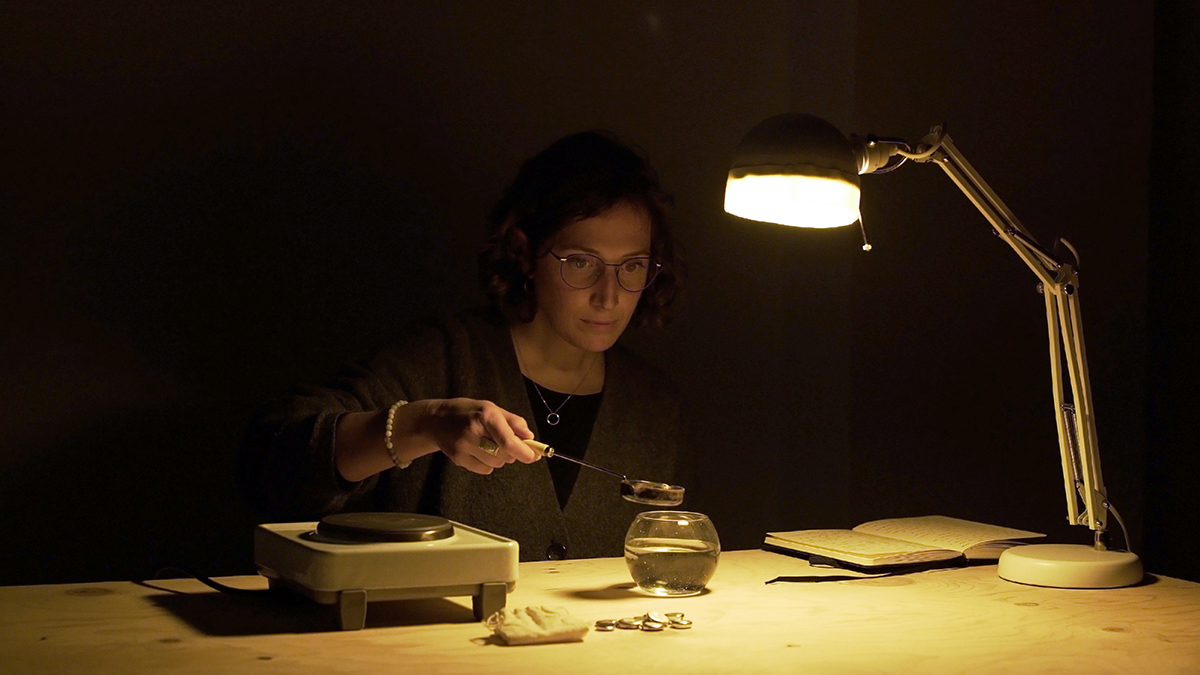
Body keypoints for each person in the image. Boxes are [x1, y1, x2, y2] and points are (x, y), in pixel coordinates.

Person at [238, 130, 686, 561]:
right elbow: (272, 467)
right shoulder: (442, 359)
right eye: (582, 262)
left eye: (632, 266)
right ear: (525, 253)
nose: (609, 296)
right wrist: (421, 425)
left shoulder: (654, 407)